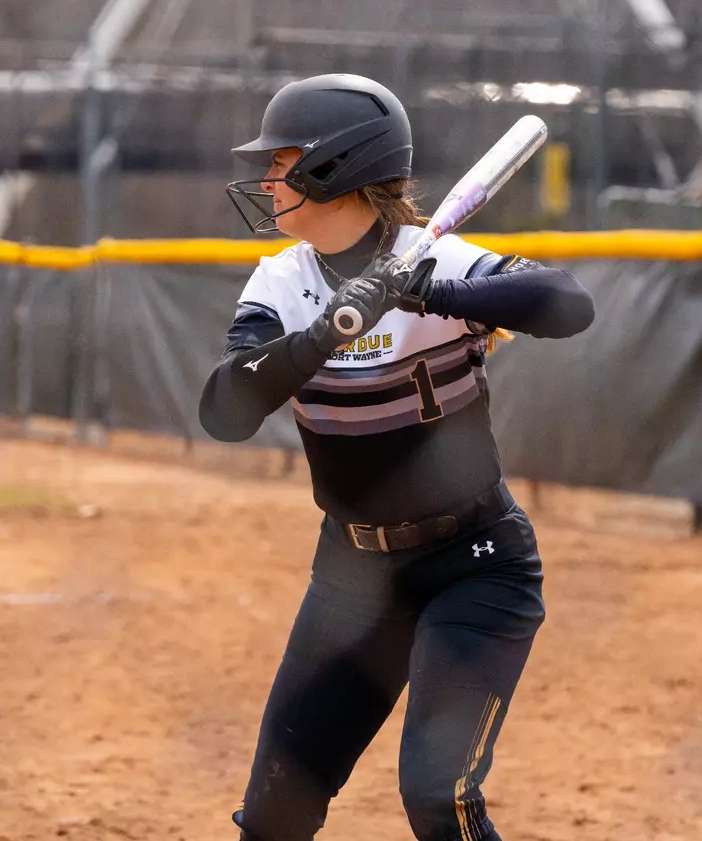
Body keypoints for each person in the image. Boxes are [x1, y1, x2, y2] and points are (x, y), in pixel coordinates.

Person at [199, 73, 595, 841]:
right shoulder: (282, 282)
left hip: (474, 564)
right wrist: (322, 334)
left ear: (333, 170)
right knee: (274, 813)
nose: (266, 182)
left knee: (433, 795)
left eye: (281, 165)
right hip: (351, 576)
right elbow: (225, 410)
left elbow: (568, 304)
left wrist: (428, 293)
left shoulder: (436, 260)